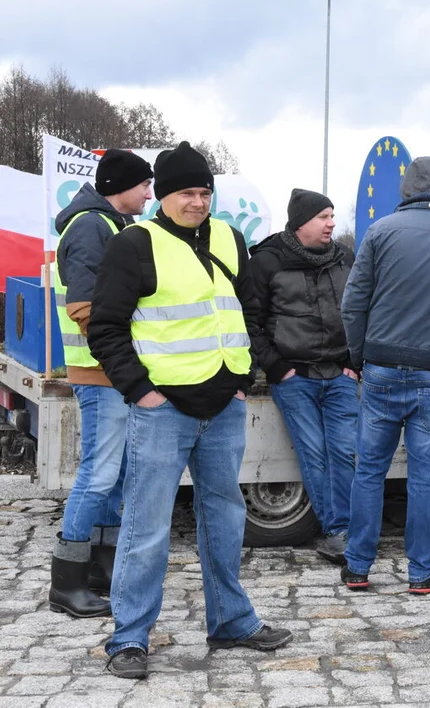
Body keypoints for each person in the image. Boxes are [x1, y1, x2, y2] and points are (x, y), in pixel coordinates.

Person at [88, 142, 292, 679]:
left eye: (205, 192)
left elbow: (249, 308)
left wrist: (243, 378)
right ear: (162, 195)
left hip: (223, 406)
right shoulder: (136, 244)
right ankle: (129, 638)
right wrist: (141, 392)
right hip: (163, 409)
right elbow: (104, 327)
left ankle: (230, 620)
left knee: (225, 516)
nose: (198, 202)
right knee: (146, 525)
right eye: (187, 193)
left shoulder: (229, 237)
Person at [340, 157, 430, 594]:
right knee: (427, 475)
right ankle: (423, 571)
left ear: (406, 190)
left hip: (381, 366)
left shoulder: (381, 231)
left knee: (369, 470)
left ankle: (357, 567)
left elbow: (354, 303)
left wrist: (359, 356)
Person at [49, 149, 153, 618]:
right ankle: (66, 581)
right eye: (144, 185)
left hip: (112, 371)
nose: (150, 194)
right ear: (118, 186)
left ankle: (101, 568)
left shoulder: (107, 224)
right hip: (102, 370)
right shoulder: (92, 226)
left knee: (116, 476)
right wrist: (122, 360)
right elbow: (87, 306)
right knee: (99, 474)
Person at [250, 188, 357, 565]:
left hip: (340, 375)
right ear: (301, 224)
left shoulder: (346, 258)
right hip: (295, 378)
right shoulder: (267, 261)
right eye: (324, 217)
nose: (331, 223)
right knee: (315, 454)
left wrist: (355, 362)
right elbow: (251, 322)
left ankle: (343, 530)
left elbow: (363, 310)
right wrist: (278, 367)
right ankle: (338, 531)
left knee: (345, 451)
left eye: (332, 216)